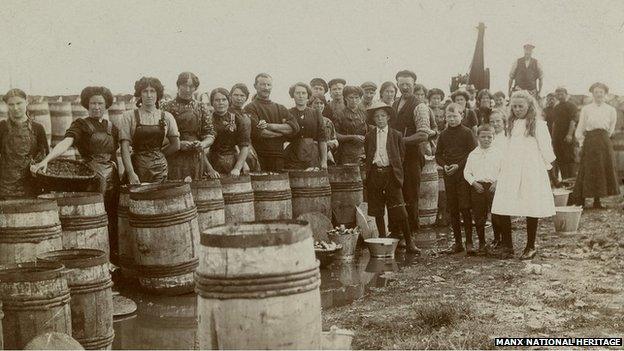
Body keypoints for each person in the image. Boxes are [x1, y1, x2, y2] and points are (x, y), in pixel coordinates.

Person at [32, 86, 120, 258]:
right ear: (86, 105)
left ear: (106, 105)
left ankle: (112, 259)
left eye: (100, 103)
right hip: (91, 179)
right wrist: (46, 160)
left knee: (113, 217)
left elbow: (114, 156)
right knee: (94, 220)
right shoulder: (81, 125)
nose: (96, 107)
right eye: (92, 103)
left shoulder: (112, 127)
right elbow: (66, 142)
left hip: (113, 179)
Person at [491, 90, 556, 260]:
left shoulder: (538, 125)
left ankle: (530, 245)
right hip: (510, 168)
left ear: (529, 106)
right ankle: (507, 245)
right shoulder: (509, 125)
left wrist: (548, 170)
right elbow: (504, 147)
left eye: (521, 106)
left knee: (530, 205)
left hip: (530, 169)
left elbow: (546, 149)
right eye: (515, 106)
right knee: (503, 204)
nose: (518, 109)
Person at [364, 102, 420, 253]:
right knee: (378, 211)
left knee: (400, 210)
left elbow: (400, 156)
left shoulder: (396, 135)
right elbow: (368, 155)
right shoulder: (369, 136)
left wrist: (393, 169)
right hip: (375, 174)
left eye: (383, 116)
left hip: (391, 174)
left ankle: (409, 242)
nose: (380, 119)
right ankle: (384, 242)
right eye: (377, 116)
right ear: (373, 119)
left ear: (388, 117)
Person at [118, 76, 180, 184]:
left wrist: (158, 156)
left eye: (152, 91)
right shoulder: (129, 116)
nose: (149, 95)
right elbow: (124, 147)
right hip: (137, 168)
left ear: (158, 94)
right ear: (140, 94)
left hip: (160, 170)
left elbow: (176, 145)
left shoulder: (167, 117)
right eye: (145, 91)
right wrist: (130, 173)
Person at [391, 70, 430, 231]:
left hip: (412, 157)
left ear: (414, 85)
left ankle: (412, 233)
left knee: (411, 195)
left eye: (408, 84)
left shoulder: (419, 106)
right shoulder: (394, 104)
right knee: (396, 195)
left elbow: (423, 134)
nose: (405, 87)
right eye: (401, 84)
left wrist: (400, 141)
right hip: (397, 157)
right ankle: (398, 231)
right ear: (397, 85)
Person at [435, 103, 477, 254]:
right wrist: (444, 165)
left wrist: (458, 166)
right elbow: (438, 154)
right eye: (449, 117)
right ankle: (458, 242)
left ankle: (470, 242)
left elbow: (473, 154)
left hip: (463, 175)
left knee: (465, 207)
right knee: (453, 208)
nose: (452, 119)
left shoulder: (467, 132)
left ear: (462, 116)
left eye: (455, 116)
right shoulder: (444, 135)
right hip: (449, 175)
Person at [570, 82, 619, 209]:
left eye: (601, 92)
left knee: (601, 169)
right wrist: (581, 142)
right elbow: (580, 127)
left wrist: (603, 137)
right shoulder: (586, 109)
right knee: (588, 169)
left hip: (603, 141)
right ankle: (582, 199)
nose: (598, 94)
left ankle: (598, 201)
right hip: (590, 141)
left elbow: (611, 128)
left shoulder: (611, 110)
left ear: (605, 94)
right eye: (596, 92)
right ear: (592, 93)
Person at [160, 72, 216, 180]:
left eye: (191, 86)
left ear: (195, 88)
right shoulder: (166, 106)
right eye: (184, 85)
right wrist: (178, 144)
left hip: (195, 157)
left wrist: (202, 144)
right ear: (178, 85)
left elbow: (209, 133)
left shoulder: (200, 107)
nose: (188, 89)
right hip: (173, 155)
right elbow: (160, 134)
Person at [244, 73, 299, 171]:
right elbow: (260, 133)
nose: (266, 88)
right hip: (259, 156)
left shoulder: (280, 108)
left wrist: (269, 126)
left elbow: (295, 127)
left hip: (279, 156)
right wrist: (282, 133)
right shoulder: (250, 108)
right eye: (262, 84)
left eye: (268, 85)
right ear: (255, 86)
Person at [0, 89, 48, 198]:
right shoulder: (2, 127)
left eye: (19, 103)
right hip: (5, 188)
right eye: (11, 104)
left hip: (30, 186)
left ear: (26, 102)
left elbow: (44, 155)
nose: (15, 108)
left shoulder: (37, 128)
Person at [463, 124, 503, 255]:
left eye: (489, 137)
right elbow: (466, 172)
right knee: (479, 216)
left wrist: (497, 182)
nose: (486, 139)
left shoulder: (498, 153)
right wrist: (474, 183)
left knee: (496, 215)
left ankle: (498, 239)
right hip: (478, 188)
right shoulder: (473, 154)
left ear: (494, 137)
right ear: (478, 137)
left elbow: (504, 170)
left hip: (494, 187)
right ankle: (482, 243)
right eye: (483, 137)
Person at [208, 88, 251, 176]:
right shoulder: (207, 120)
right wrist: (210, 169)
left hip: (233, 161)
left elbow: (244, 146)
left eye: (224, 99)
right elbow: (202, 148)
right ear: (212, 102)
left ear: (229, 101)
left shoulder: (237, 119)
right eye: (217, 100)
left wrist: (237, 168)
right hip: (212, 161)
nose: (221, 103)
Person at [285, 82, 328, 169]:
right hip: (293, 156)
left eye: (303, 93)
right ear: (293, 95)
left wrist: (324, 161)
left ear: (308, 95)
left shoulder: (316, 113)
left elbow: (322, 139)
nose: (301, 96)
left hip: (312, 155)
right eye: (297, 93)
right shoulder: (288, 113)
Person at [230, 83, 261, 172]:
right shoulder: (229, 114)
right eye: (236, 95)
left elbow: (257, 129)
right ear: (231, 96)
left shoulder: (245, 114)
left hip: (249, 150)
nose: (239, 98)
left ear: (246, 97)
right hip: (237, 152)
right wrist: (242, 163)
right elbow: (232, 139)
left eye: (242, 95)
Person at [334, 86, 368, 165]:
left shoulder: (364, 113)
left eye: (357, 97)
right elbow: (335, 134)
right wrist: (352, 137)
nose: (354, 100)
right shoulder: (339, 114)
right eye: (351, 97)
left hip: (362, 151)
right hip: (346, 152)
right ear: (345, 98)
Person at [551, 87, 578, 181]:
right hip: (558, 139)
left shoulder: (571, 106)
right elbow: (554, 123)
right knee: (560, 161)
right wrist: (553, 138)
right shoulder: (556, 107)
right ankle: (565, 184)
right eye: (558, 94)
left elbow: (573, 121)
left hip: (567, 138)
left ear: (566, 94)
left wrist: (569, 134)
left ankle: (572, 188)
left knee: (570, 161)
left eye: (562, 94)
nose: (560, 96)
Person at [309, 94, 339, 165]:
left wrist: (333, 143)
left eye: (321, 103)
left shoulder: (328, 121)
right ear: (310, 105)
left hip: (327, 156)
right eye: (316, 103)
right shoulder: (307, 120)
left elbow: (335, 139)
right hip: (311, 155)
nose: (319, 105)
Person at [413, 84, 437, 156]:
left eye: (422, 95)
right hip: (412, 140)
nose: (419, 97)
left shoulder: (428, 109)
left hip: (425, 141)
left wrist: (432, 132)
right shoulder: (410, 108)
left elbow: (434, 126)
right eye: (417, 94)